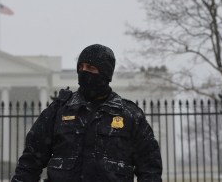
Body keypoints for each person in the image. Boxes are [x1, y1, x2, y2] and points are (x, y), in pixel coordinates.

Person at [11, 44, 162, 182]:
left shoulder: (129, 115)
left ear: (105, 73)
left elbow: (149, 166)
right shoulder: (58, 111)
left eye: (90, 67)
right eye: (81, 67)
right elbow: (31, 161)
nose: (84, 72)